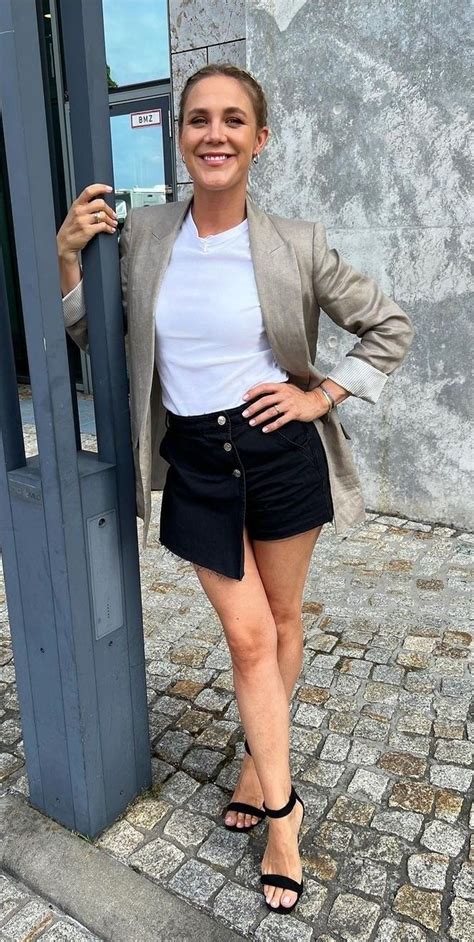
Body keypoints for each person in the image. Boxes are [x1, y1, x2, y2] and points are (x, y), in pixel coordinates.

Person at [57, 64, 414, 915]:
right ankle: (286, 819)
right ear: (181, 136)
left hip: (282, 454)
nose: (213, 134)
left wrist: (321, 393)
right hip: (199, 465)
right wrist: (70, 255)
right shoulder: (143, 235)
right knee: (251, 637)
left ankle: (263, 767)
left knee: (281, 624)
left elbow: (388, 326)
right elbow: (90, 334)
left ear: (260, 138)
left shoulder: (298, 241)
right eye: (197, 120)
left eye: (233, 120)